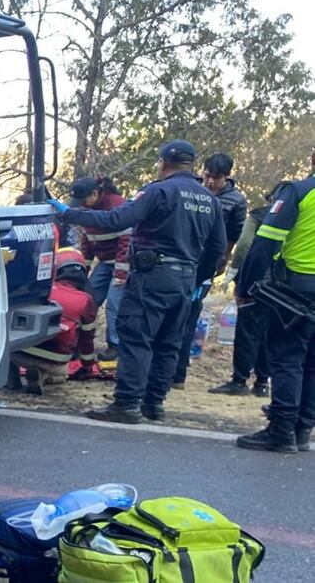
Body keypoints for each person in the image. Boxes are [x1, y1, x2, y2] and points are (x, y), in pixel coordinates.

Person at [50, 140, 226, 423]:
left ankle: (127, 403)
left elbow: (118, 219)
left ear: (163, 163)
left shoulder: (158, 191)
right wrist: (198, 277)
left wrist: (69, 214)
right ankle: (154, 404)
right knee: (169, 343)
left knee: (137, 338)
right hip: (185, 279)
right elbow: (218, 249)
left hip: (152, 276)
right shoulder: (210, 200)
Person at [235, 172, 315, 453]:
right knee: (312, 363)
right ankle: (302, 430)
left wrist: (244, 285)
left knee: (287, 358)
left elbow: (264, 243)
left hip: (296, 289)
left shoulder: (298, 191)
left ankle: (281, 430)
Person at [171, 153, 247, 389]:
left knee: (188, 315)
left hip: (205, 268)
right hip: (178, 260)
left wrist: (220, 263)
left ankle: (178, 374)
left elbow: (234, 236)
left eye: (217, 178)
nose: (211, 182)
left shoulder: (236, 200)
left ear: (227, 177)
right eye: (208, 176)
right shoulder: (190, 189)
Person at [209, 182, 289, 397]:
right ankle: (262, 383)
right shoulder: (298, 217)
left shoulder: (258, 216)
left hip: (257, 282)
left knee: (247, 333)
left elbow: (243, 246)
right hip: (284, 286)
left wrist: (234, 273)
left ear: (271, 197)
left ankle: (239, 381)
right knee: (269, 334)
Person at [11, 248, 99, 394]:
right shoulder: (86, 300)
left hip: (21, 353)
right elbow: (87, 339)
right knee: (60, 376)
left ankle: (12, 381)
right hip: (56, 360)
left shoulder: (38, 288)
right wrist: (87, 366)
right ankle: (44, 375)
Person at [68, 176, 130, 363]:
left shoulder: (117, 206)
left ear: (95, 193)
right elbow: (86, 242)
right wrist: (81, 272)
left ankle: (116, 345)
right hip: (104, 262)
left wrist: (121, 274)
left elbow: (126, 242)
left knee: (114, 302)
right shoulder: (88, 211)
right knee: (89, 298)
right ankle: (80, 342)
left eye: (84, 200)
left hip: (123, 262)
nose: (82, 206)